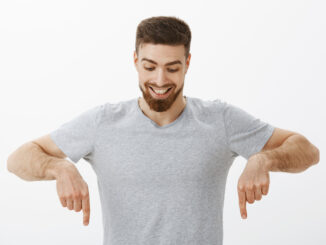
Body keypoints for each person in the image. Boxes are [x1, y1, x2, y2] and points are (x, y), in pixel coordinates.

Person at [7, 16, 320, 245]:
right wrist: (59, 166)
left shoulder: (220, 120)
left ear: (187, 63)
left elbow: (307, 150)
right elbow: (18, 158)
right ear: (135, 61)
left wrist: (264, 160)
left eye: (172, 68)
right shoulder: (103, 122)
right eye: (149, 66)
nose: (159, 80)